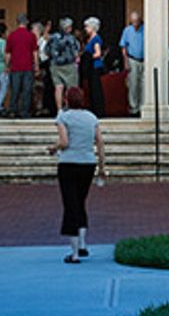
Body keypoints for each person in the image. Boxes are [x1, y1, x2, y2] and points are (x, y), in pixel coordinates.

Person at [47, 86, 106, 264]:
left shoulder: (63, 117)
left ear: (67, 100)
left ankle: (73, 254)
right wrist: (102, 167)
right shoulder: (91, 117)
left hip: (68, 164)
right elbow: (100, 142)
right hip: (88, 163)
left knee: (70, 204)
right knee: (80, 202)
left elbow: (64, 142)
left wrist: (53, 148)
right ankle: (82, 244)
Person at [5, 13, 38, 118]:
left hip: (15, 67)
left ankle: (13, 110)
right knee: (27, 91)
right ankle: (25, 112)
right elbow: (35, 52)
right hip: (28, 67)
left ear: (17, 22)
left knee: (15, 90)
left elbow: (8, 53)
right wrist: (36, 65)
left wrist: (7, 65)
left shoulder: (12, 35)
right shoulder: (31, 36)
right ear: (26, 22)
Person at [49, 17, 81, 111]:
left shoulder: (53, 37)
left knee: (58, 87)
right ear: (69, 27)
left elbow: (47, 51)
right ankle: (70, 108)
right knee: (70, 88)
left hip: (55, 65)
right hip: (69, 65)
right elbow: (76, 52)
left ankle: (59, 110)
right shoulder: (71, 39)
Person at [119, 11, 145, 117]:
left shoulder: (145, 29)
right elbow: (123, 47)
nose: (135, 24)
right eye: (133, 21)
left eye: (137, 21)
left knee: (144, 85)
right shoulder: (127, 30)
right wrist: (125, 62)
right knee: (133, 84)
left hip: (145, 60)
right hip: (132, 59)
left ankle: (142, 106)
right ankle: (134, 108)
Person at [81, 17, 105, 117]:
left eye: (87, 26)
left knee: (95, 89)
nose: (85, 29)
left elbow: (98, 53)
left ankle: (98, 110)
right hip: (90, 67)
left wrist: (88, 57)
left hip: (94, 67)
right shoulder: (89, 39)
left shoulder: (96, 39)